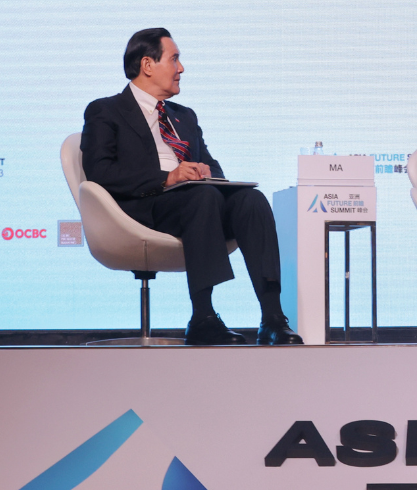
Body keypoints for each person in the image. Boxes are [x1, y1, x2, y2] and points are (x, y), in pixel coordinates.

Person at [80, 28, 302, 345]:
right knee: (203, 196)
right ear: (147, 65)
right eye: (175, 59)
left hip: (197, 199)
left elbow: (213, 167)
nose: (181, 68)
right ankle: (203, 316)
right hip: (143, 207)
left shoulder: (184, 116)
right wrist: (167, 177)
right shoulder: (106, 110)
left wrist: (204, 172)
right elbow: (99, 172)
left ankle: (272, 318)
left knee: (251, 200)